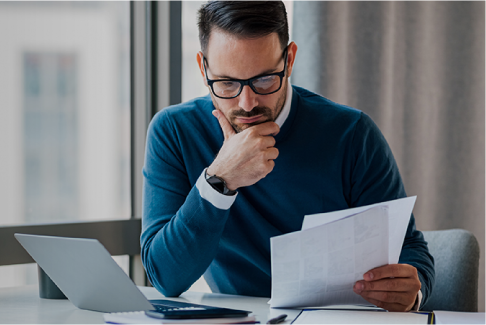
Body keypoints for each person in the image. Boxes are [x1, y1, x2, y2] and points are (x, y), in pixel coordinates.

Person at [140, 0, 434, 312]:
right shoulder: (174, 131)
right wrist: (220, 181)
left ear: (289, 60)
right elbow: (165, 277)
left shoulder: (351, 134)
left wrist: (412, 291)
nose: (248, 102)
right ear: (202, 68)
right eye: (227, 83)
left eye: (264, 79)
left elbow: (410, 249)